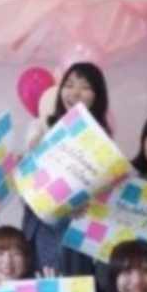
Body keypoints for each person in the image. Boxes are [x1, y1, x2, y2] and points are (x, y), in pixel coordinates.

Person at [21, 62, 107, 276]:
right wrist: (29, 162)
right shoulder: (43, 130)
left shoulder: (101, 140)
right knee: (43, 288)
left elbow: (106, 195)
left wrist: (88, 204)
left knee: (74, 288)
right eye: (69, 85)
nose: (75, 92)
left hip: (76, 231)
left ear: (97, 95)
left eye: (85, 87)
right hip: (41, 228)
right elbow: (26, 189)